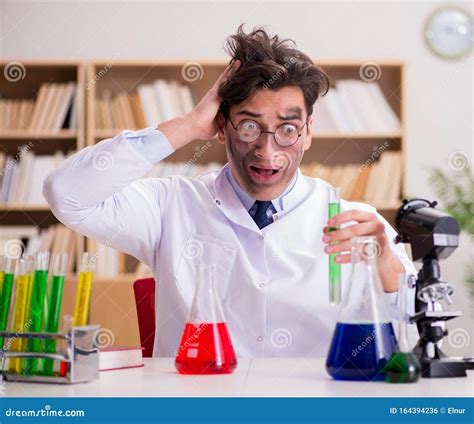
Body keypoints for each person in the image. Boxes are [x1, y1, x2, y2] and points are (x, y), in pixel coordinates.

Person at [44, 26, 416, 357]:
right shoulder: (170, 205)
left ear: (308, 131)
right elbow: (67, 194)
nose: (267, 152)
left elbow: (410, 338)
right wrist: (188, 125)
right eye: (249, 126)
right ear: (221, 126)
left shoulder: (356, 225)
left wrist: (384, 261)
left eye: (287, 129)